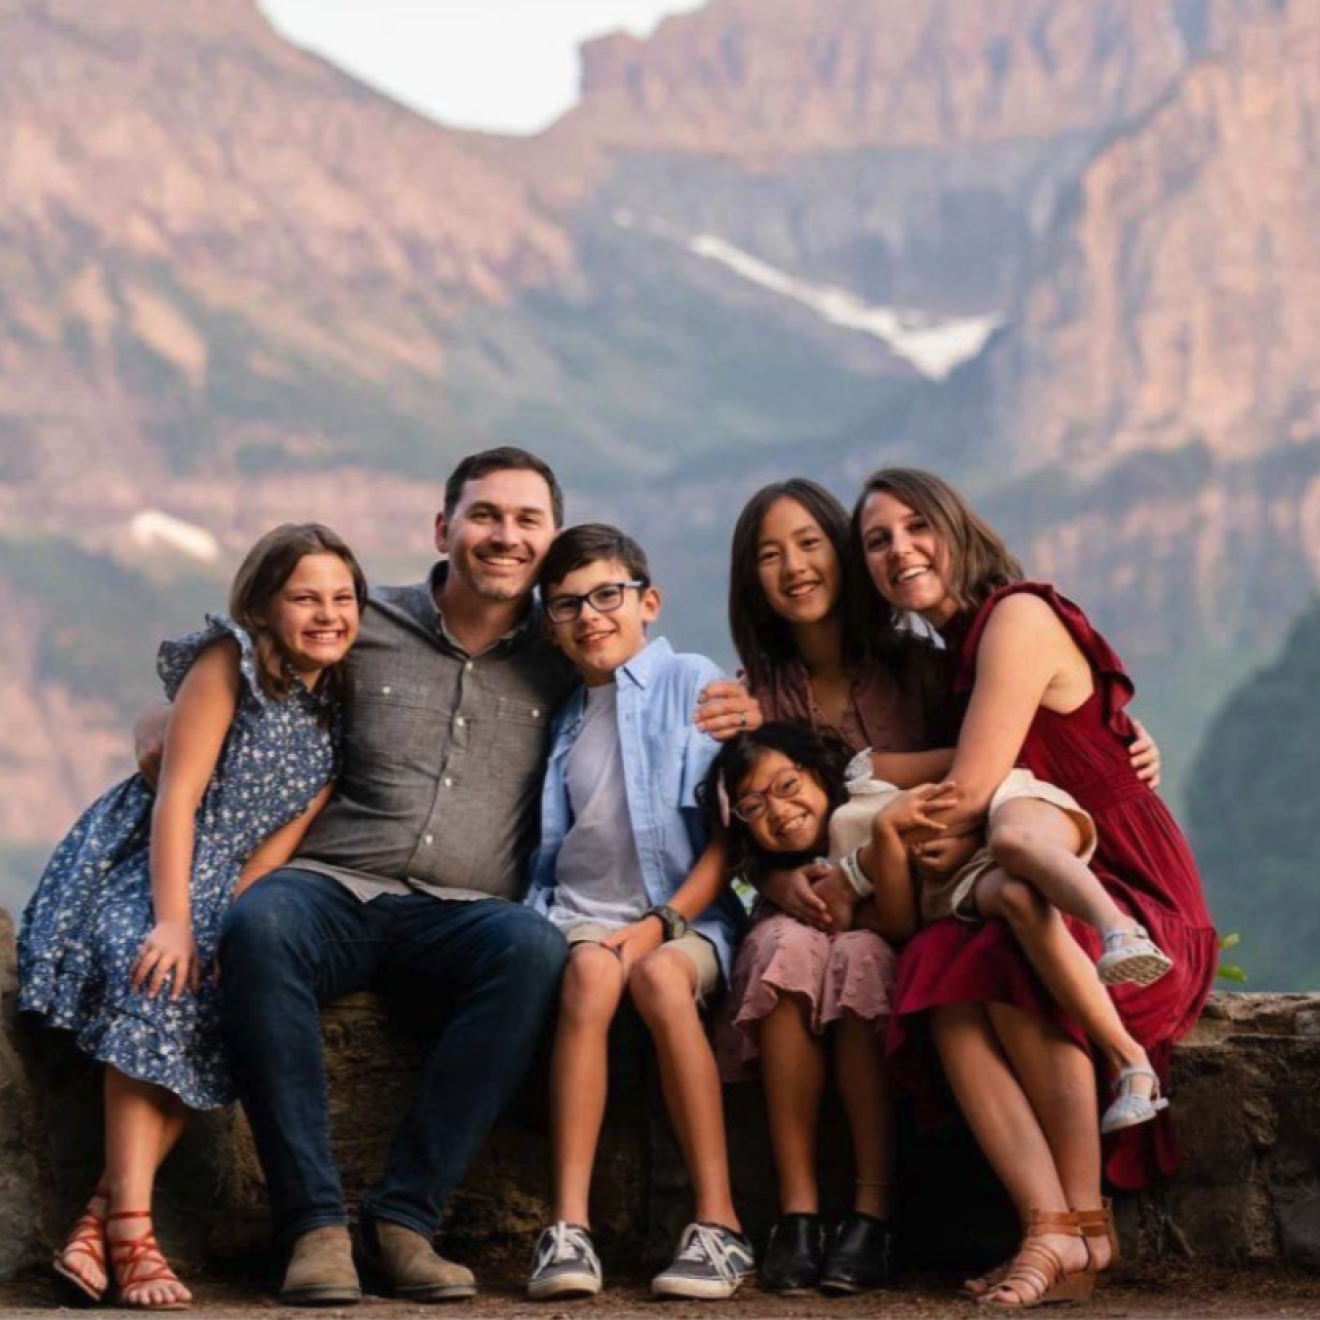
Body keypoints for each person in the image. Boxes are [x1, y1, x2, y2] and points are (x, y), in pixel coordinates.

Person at [718, 478, 1164, 1296]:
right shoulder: (751, 691)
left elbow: (999, 755)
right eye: (769, 554)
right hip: (872, 893)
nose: (794, 567)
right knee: (789, 949)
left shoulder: (923, 667)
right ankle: (799, 1213)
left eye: (812, 544)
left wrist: (1123, 735)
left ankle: (890, 1217)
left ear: (846, 562)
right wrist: (777, 881)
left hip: (925, 888)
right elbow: (734, 810)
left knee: (910, 953)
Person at [856, 467, 1216, 1307]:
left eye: (916, 526)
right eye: (878, 540)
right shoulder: (957, 657)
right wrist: (871, 775)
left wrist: (871, 786)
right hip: (1043, 877)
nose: (901, 549)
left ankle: (1086, 1230)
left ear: (958, 527)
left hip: (1129, 887)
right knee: (940, 967)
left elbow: (974, 791)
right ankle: (1050, 1228)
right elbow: (987, 771)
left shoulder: (1015, 616)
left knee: (1007, 959)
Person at [19, 523, 366, 1310]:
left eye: (342, 598)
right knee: (161, 982)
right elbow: (176, 799)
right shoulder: (229, 664)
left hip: (232, 883)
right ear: (266, 604)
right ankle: (135, 1236)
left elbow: (285, 835)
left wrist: (229, 918)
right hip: (148, 861)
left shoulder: (341, 697)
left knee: (224, 1000)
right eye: (305, 597)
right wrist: (176, 920)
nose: (327, 614)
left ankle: (99, 1222)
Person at [524, 524, 752, 1303]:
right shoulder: (564, 719)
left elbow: (730, 839)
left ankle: (719, 1223)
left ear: (647, 601)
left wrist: (662, 922)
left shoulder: (694, 683)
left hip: (688, 916)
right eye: (566, 605)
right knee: (588, 979)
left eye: (607, 596)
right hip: (584, 915)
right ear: (550, 625)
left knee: (658, 980)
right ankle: (569, 1227)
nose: (590, 616)